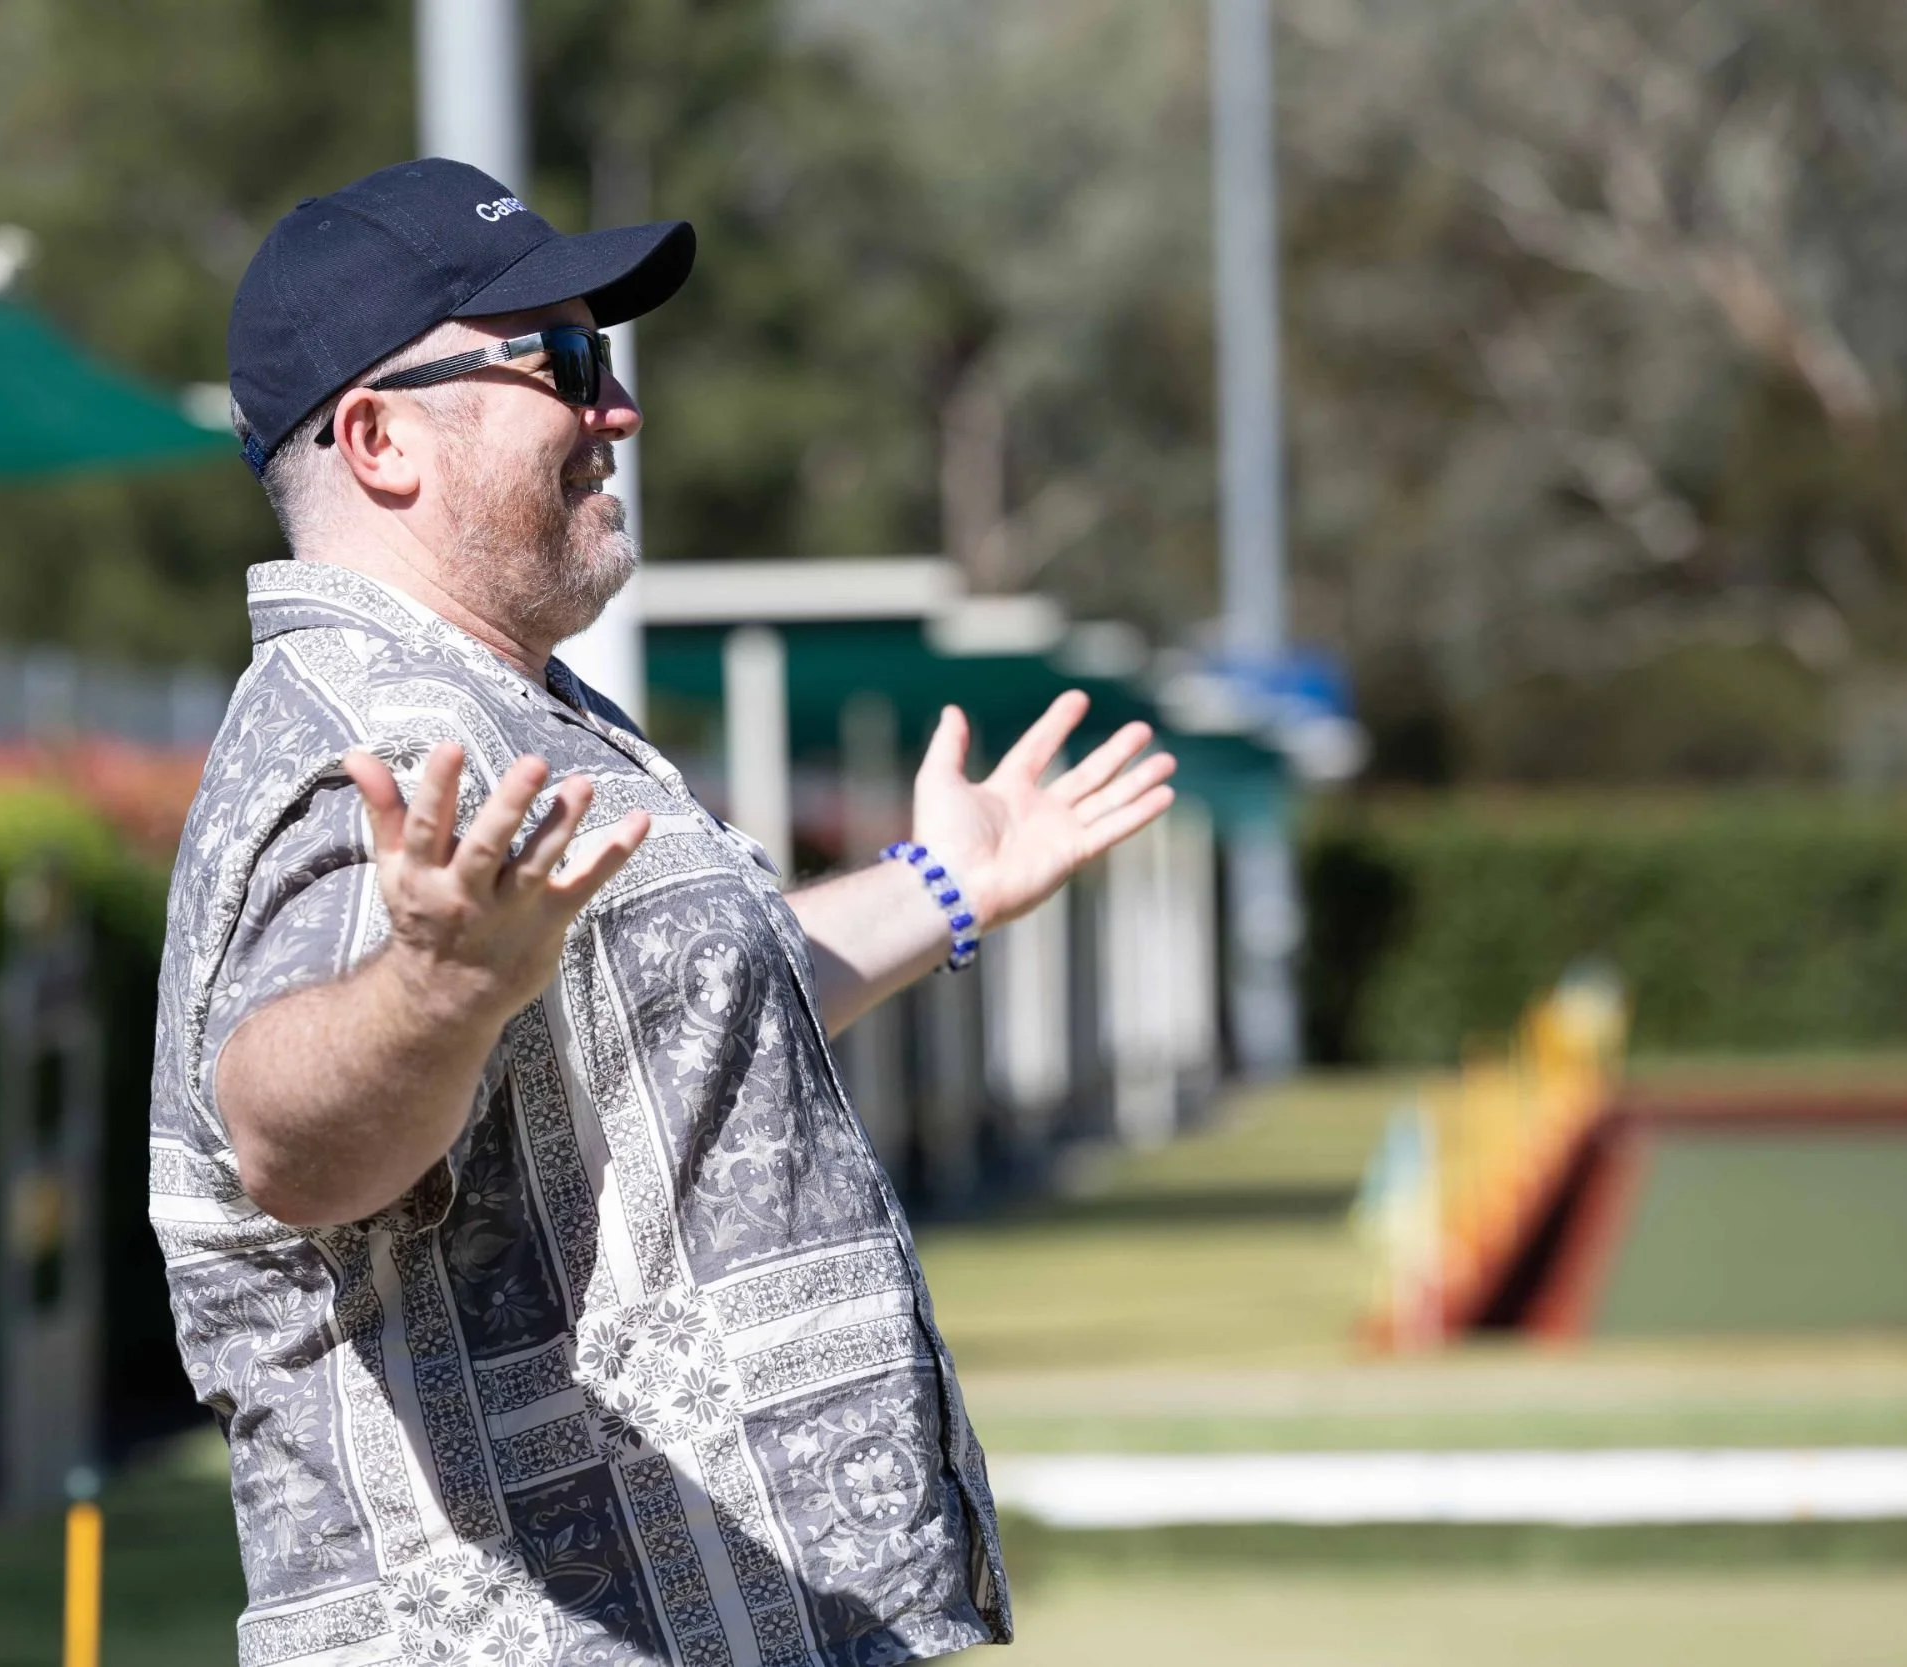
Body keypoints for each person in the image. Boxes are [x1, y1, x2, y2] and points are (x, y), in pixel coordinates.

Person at [152, 156, 1177, 1667]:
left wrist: (945, 885)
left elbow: (661, 1025)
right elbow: (285, 1139)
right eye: (563, 365)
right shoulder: (355, 748)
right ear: (378, 440)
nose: (615, 409)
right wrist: (436, 987)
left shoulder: (512, 706)